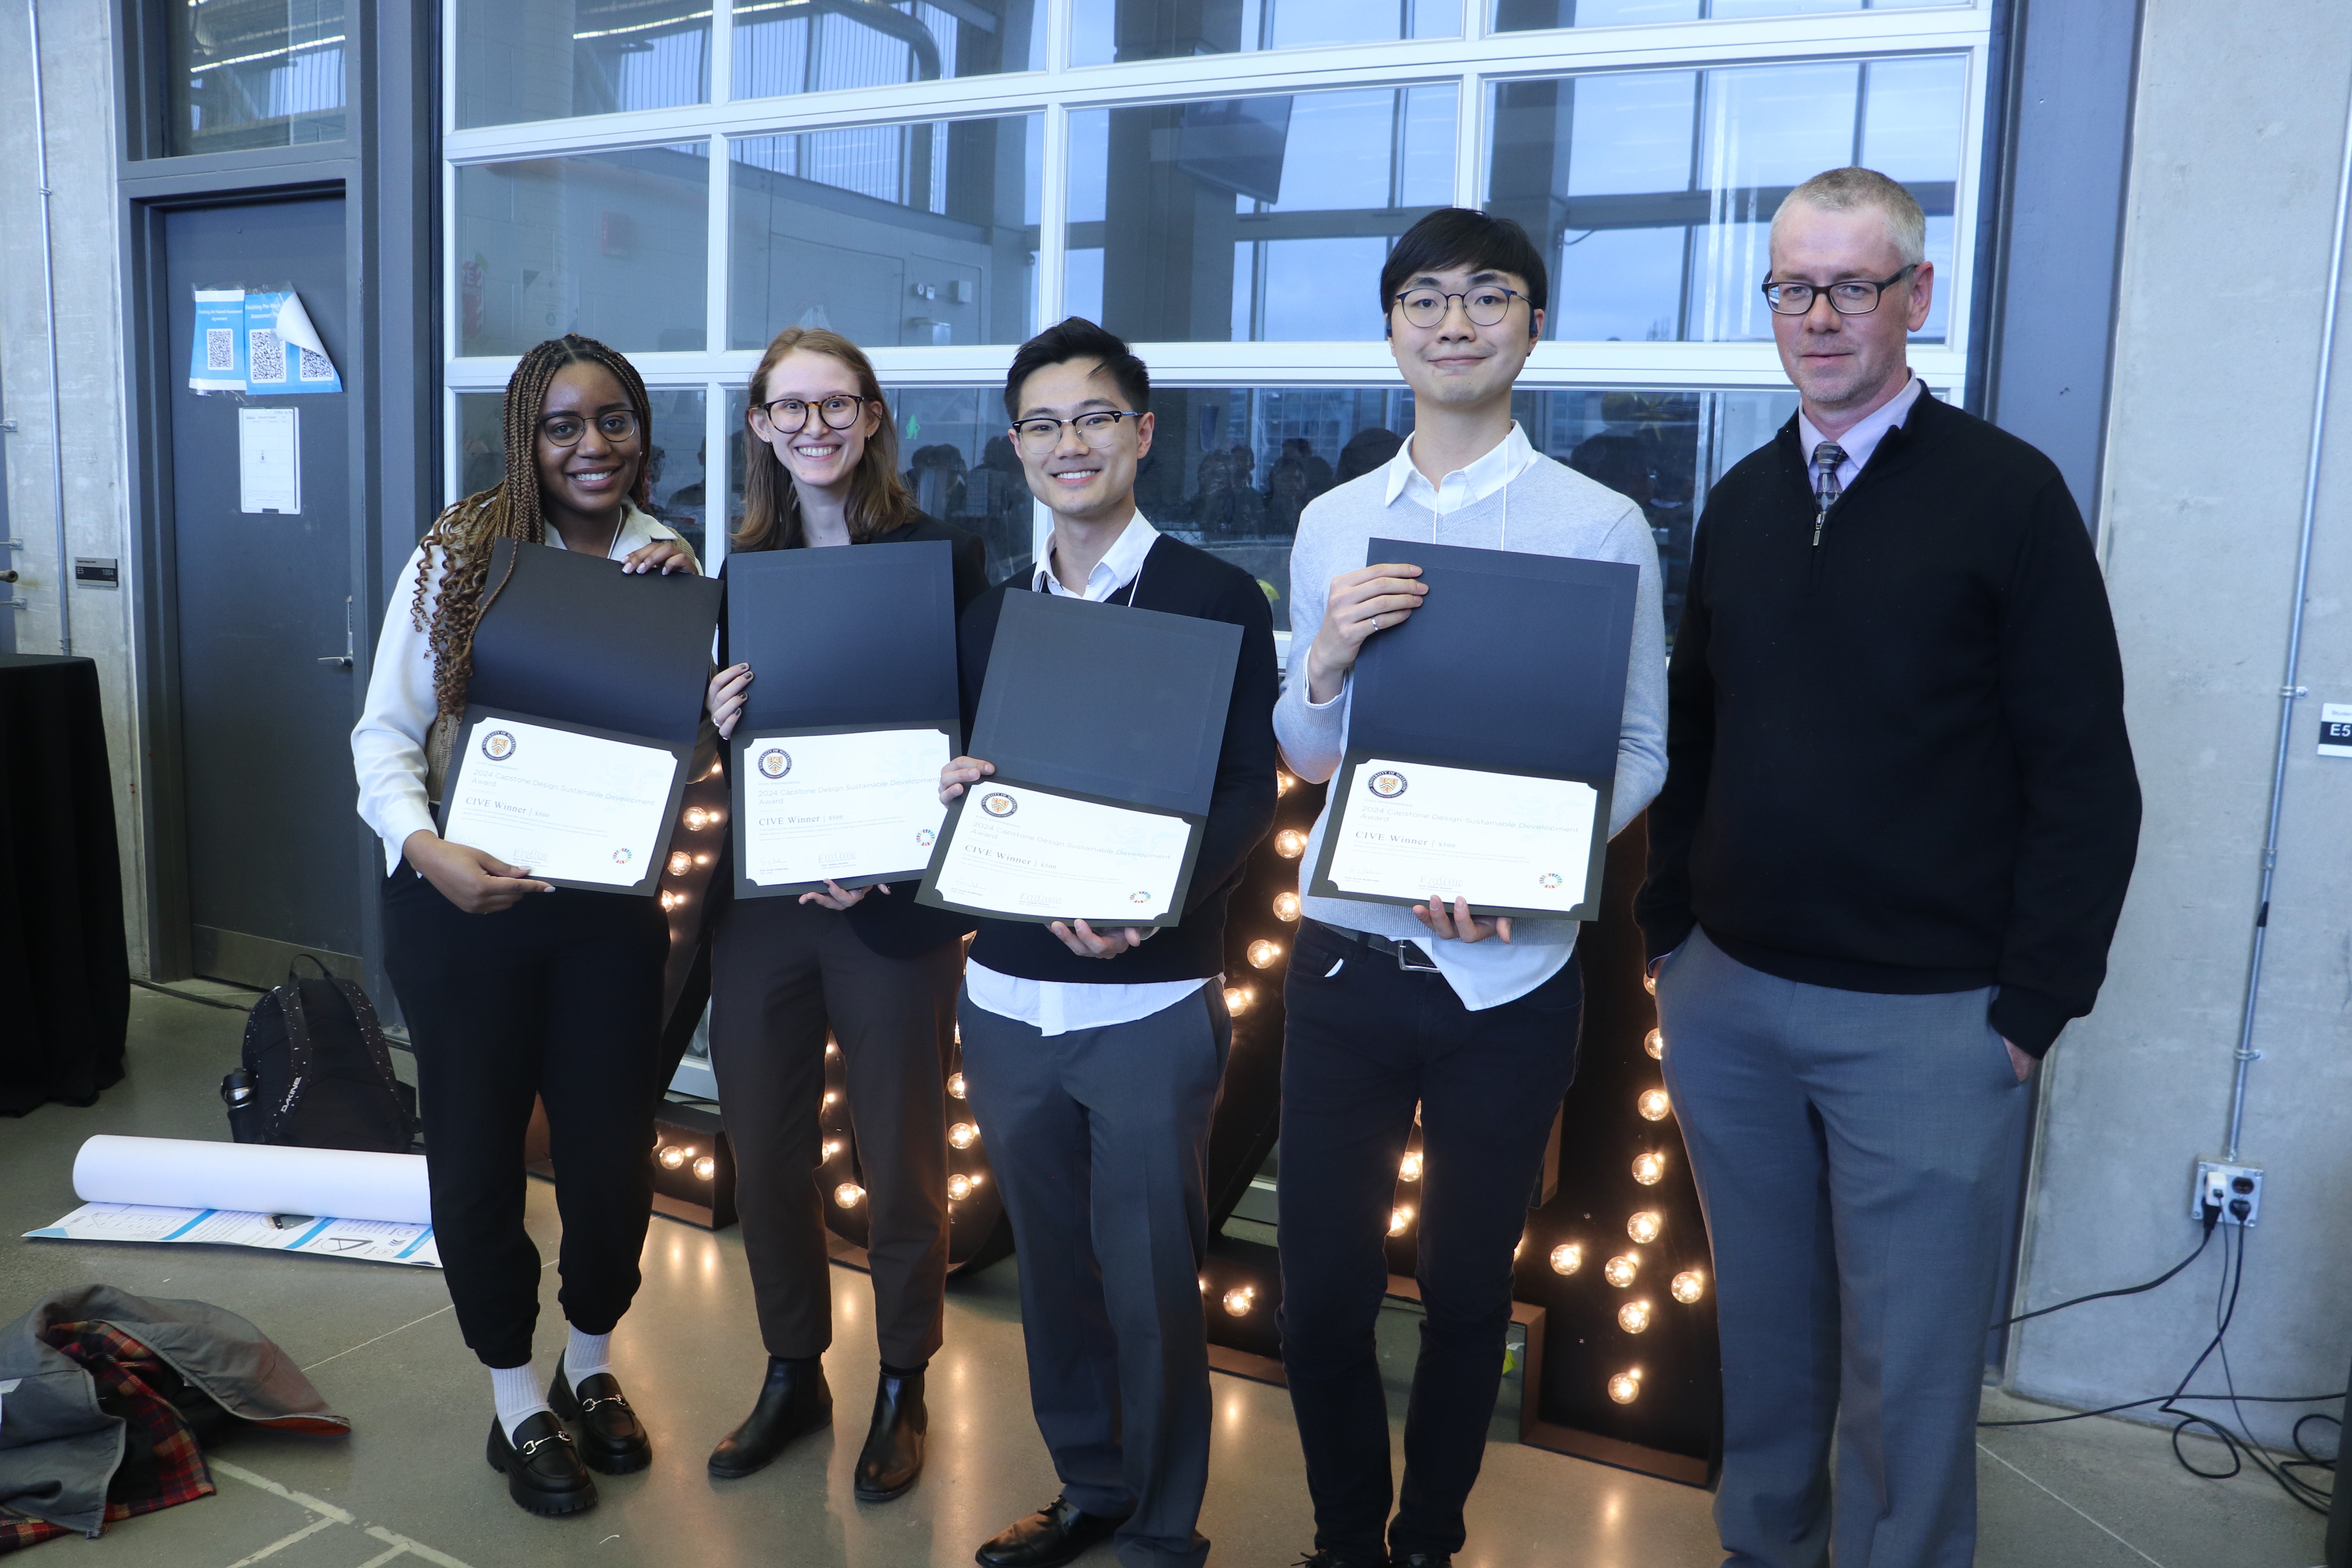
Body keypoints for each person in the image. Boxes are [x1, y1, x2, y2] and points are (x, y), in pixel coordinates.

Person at [1635, 167, 2141, 1568]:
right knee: (1770, 1340)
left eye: (1853, 286)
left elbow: (2087, 773)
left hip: (1930, 1024)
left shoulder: (2006, 496)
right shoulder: (1742, 500)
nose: (1820, 316)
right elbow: (1697, 731)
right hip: (1731, 1001)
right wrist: (1670, 936)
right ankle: (1767, 1551)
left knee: (1904, 1376)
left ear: (1918, 297)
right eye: (1794, 286)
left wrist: (2035, 1004)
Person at [1270, 207, 1667, 1568]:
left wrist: (1533, 879)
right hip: (1342, 964)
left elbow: (1638, 747)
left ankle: (1427, 1537)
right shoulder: (1333, 521)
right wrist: (1321, 655)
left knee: (1459, 1295)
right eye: (1426, 300)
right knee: (1319, 1296)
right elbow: (1307, 754)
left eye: (1486, 298)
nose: (1454, 323)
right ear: (1391, 327)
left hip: (1513, 976)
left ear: (1532, 325)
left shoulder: (1600, 523)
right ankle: (1343, 1538)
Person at [939, 317, 1278, 1568]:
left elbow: (1251, 787)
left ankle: (1166, 1526)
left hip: (1149, 998)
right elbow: (965, 782)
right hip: (1009, 996)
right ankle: (1088, 1488)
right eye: (1042, 423)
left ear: (1142, 433)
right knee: (1057, 1278)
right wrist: (957, 788)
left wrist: (1161, 898)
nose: (1068, 444)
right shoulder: (994, 615)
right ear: (1017, 448)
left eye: (1094, 418)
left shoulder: (1213, 597)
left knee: (1149, 1280)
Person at [351, 334, 699, 1518]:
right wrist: (425, 847)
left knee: (612, 1156)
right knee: (479, 1150)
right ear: (524, 437)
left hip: (605, 906)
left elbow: (681, 750)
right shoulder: (462, 552)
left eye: (613, 421)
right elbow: (383, 735)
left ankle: (591, 1367)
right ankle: (514, 1395)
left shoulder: (670, 559)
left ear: (641, 430)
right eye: (562, 425)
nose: (591, 446)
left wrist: (700, 677)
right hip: (464, 900)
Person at [698, 327, 988, 1503]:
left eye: (837, 406)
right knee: (763, 1147)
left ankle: (905, 1376)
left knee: (901, 1155)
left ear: (873, 418)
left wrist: (890, 854)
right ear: (761, 427)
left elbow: (972, 736)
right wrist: (713, 723)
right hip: (766, 905)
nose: (813, 427)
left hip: (896, 908)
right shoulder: (742, 574)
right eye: (788, 409)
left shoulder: (944, 564)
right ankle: (792, 1369)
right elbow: (737, 754)